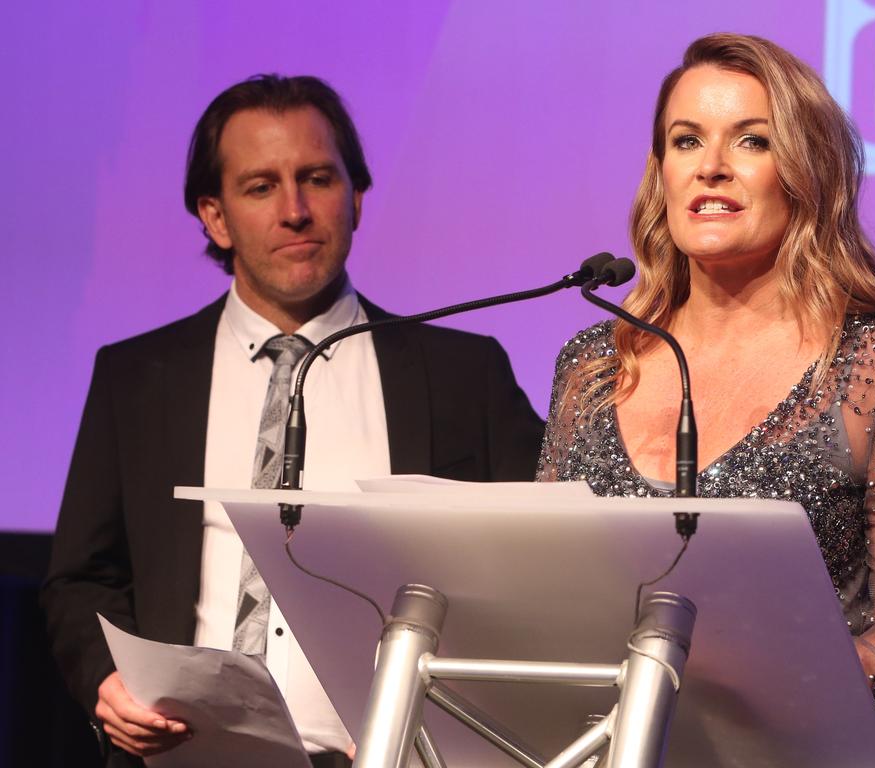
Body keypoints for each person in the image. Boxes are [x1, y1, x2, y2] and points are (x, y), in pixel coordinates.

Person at [42, 74, 544, 768]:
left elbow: (533, 581)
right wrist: (108, 680)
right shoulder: (138, 378)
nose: (296, 210)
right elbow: (81, 578)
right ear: (214, 217)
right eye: (260, 187)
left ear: (357, 196)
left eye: (317, 179)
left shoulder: (463, 375)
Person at [536, 34, 875, 766]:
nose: (711, 166)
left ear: (805, 173)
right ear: (660, 174)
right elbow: (541, 590)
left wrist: (768, 698)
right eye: (686, 141)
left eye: (751, 141)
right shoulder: (591, 367)